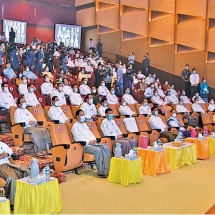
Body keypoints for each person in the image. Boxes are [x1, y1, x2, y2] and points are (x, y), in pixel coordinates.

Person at [71, 109, 110, 177]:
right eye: (81, 115)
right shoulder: (75, 126)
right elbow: (77, 138)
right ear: (77, 116)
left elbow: (91, 134)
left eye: (83, 115)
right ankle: (101, 172)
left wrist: (93, 140)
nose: (83, 116)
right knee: (98, 150)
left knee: (105, 147)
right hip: (84, 146)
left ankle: (106, 170)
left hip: (92, 144)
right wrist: (88, 142)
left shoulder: (85, 125)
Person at [0, 141, 29, 206]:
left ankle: (25, 196)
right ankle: (13, 202)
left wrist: (6, 154)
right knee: (12, 178)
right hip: (0, 166)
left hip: (7, 164)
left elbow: (10, 150)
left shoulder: (1, 143)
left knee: (25, 172)